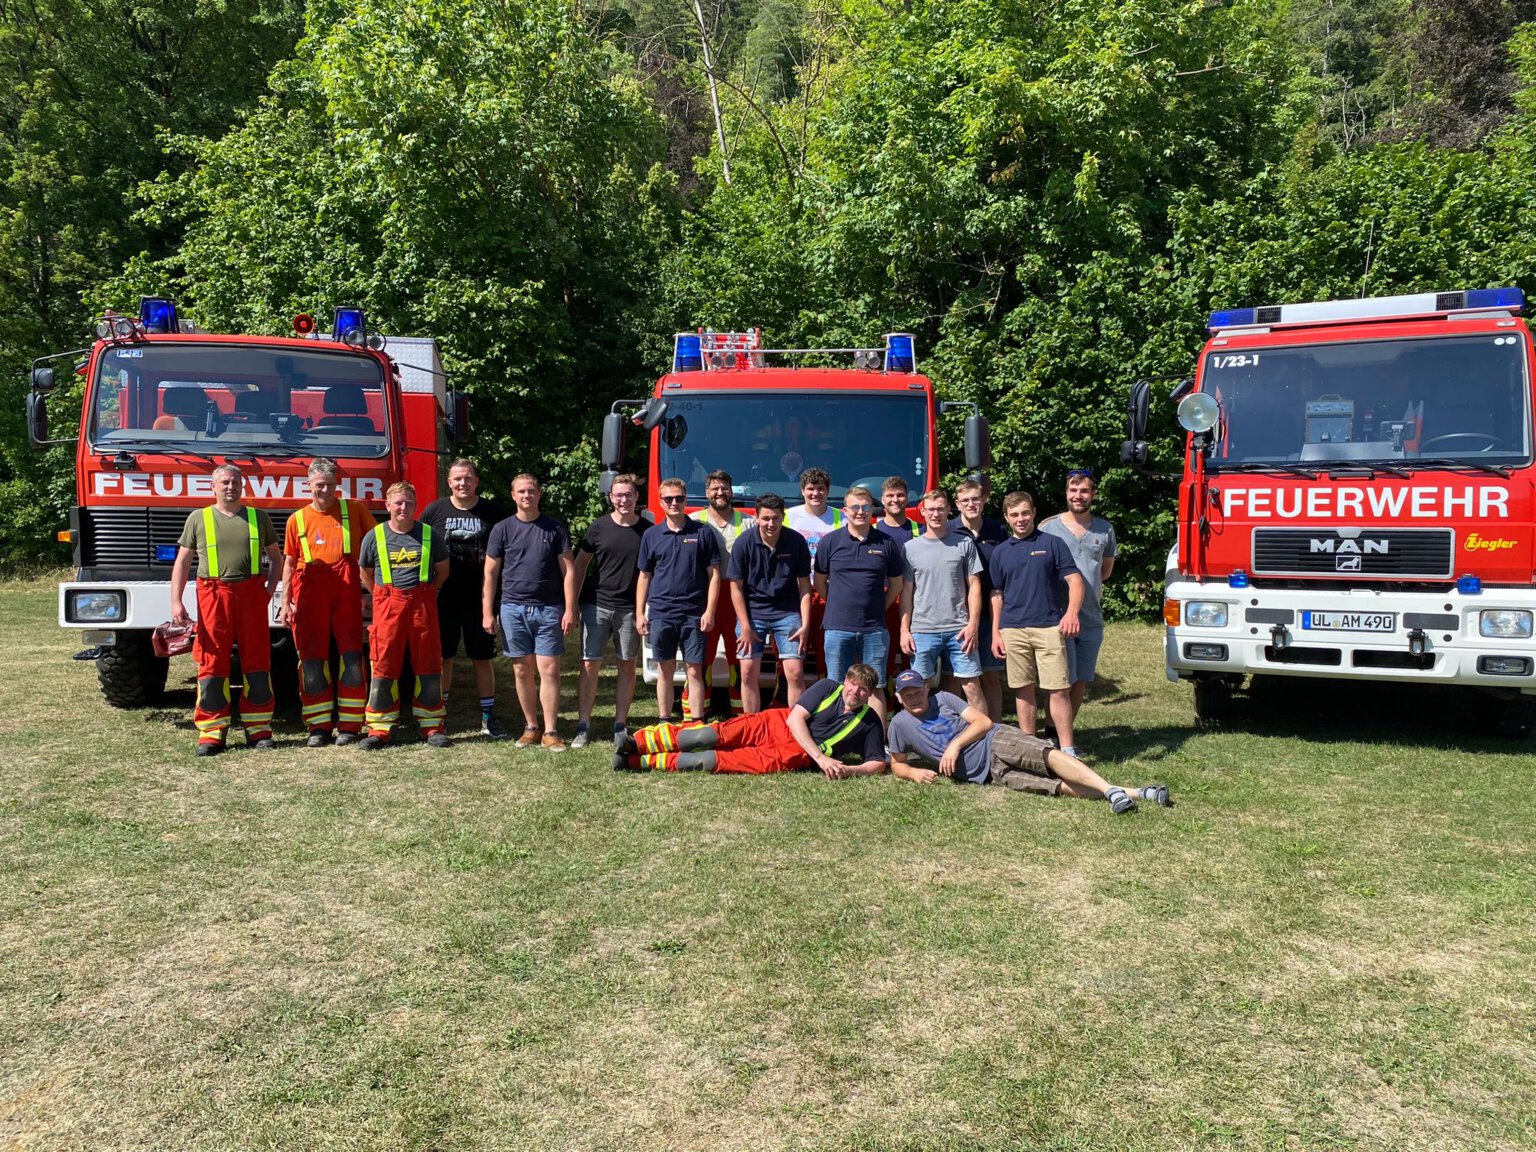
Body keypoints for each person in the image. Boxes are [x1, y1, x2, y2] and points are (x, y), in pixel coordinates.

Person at [886, 670, 1169, 813]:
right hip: (988, 775)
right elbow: (896, 763)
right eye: (906, 692)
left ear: (926, 687)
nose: (914, 696)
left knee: (1046, 755)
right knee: (1053, 786)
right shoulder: (899, 725)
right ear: (898, 698)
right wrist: (912, 771)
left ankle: (1109, 790)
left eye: (917, 689)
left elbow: (983, 722)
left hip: (995, 740)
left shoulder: (943, 699)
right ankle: (1137, 793)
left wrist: (955, 745)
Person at [170, 464, 281, 756]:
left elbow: (276, 559)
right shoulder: (199, 518)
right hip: (214, 594)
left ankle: (259, 730)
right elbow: (182, 562)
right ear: (214, 487)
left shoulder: (259, 517)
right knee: (212, 661)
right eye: (224, 482)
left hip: (251, 595)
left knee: (257, 660)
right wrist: (176, 601)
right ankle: (211, 732)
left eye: (234, 482)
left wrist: (268, 591)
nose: (230, 487)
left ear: (242, 486)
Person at [613, 664, 886, 778]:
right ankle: (635, 742)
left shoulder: (870, 722)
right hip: (776, 724)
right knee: (706, 736)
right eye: (853, 684)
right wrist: (822, 759)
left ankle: (637, 762)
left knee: (708, 761)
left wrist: (849, 770)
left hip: (790, 755)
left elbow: (877, 763)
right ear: (846, 681)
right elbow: (795, 720)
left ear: (870, 693)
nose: (855, 692)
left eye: (863, 689)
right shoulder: (828, 687)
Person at [278, 458, 376, 746]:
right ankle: (318, 726)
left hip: (346, 590)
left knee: (351, 656)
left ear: (337, 485)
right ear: (308, 485)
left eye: (330, 485)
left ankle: (351, 724)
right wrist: (286, 602)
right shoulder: (297, 519)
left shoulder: (355, 510)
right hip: (309, 592)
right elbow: (289, 562)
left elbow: (376, 545)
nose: (325, 490)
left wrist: (372, 590)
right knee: (311, 659)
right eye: (319, 485)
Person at [482, 474, 578, 751]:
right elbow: (490, 572)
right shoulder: (502, 529)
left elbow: (569, 571)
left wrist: (570, 608)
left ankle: (550, 730)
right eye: (521, 491)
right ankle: (531, 727)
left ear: (539, 494)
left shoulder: (555, 528)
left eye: (531, 491)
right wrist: (487, 612)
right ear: (513, 495)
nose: (527, 495)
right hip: (512, 608)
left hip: (549, 609)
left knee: (550, 670)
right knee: (522, 670)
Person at [989, 491, 1086, 757]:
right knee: (1023, 689)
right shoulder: (999, 552)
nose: (1020, 519)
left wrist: (1072, 613)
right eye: (1014, 515)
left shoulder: (1053, 543)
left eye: (1024, 513)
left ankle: (1067, 748)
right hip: (1013, 628)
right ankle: (1030, 747)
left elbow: (1075, 581)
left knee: (1058, 689)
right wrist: (996, 631)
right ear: (1007, 518)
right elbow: (997, 594)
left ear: (1033, 513)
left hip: (1048, 627)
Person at [357, 481, 451, 749]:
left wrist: (426, 592)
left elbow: (442, 570)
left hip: (422, 604)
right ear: (387, 505)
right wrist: (382, 595)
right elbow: (365, 572)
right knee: (384, 665)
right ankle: (379, 727)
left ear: (415, 505)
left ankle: (432, 726)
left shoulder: (430, 535)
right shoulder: (374, 536)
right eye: (398, 502)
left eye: (409, 502)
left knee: (429, 665)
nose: (403, 507)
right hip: (388, 606)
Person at [420, 458, 507, 738]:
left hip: (481, 598)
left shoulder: (494, 512)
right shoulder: (434, 510)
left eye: (468, 478)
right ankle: (439, 715)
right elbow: (418, 547)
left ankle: (488, 717)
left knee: (481, 658)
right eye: (457, 478)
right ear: (449, 482)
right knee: (443, 657)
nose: (462, 483)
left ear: (476, 481)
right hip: (444, 596)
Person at [813, 485, 903, 721]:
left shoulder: (886, 543)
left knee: (874, 686)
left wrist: (878, 608)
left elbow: (896, 584)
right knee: (836, 686)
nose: (860, 512)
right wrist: (834, 604)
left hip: (874, 629)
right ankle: (836, 736)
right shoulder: (830, 542)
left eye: (865, 507)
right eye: (855, 507)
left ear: (872, 510)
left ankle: (876, 742)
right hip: (837, 627)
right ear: (845, 510)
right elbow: (820, 581)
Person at [571, 473, 649, 747]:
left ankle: (620, 724)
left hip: (629, 608)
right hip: (596, 605)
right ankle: (583, 724)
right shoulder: (598, 527)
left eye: (629, 494)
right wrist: (573, 603)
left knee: (627, 665)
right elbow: (580, 564)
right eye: (618, 495)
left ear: (637, 498)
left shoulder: (647, 531)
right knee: (590, 664)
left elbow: (650, 573)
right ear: (611, 498)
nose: (624, 499)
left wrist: (644, 609)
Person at [636, 476, 721, 727]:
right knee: (665, 669)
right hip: (661, 612)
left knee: (694, 670)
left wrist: (710, 611)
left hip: (694, 613)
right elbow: (644, 576)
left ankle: (696, 722)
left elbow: (714, 575)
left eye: (679, 498)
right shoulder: (651, 535)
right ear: (661, 502)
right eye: (669, 499)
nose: (674, 503)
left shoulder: (703, 532)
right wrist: (640, 613)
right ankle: (664, 721)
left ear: (686, 500)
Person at [1039, 468, 1118, 725]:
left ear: (1093, 494)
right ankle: (1052, 733)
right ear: (1066, 493)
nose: (1078, 495)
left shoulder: (1104, 530)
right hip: (1057, 616)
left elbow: (1104, 572)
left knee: (1081, 679)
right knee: (1061, 680)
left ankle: (1066, 735)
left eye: (1084, 490)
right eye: (1073, 490)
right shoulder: (1048, 528)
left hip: (1091, 617)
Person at [900, 489, 986, 713]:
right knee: (918, 688)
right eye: (931, 510)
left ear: (949, 510)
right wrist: (904, 630)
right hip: (922, 630)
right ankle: (920, 738)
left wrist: (973, 625)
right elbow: (906, 592)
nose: (936, 514)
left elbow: (975, 586)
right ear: (923, 512)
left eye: (940, 509)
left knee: (972, 686)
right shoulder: (910, 548)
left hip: (960, 629)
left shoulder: (964, 544)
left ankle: (985, 740)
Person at [727, 493, 812, 712]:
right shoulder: (744, 542)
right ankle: (753, 726)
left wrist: (805, 624)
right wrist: (745, 626)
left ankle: (795, 730)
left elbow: (804, 586)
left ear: (783, 517)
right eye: (765, 518)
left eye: (775, 518)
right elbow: (735, 587)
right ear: (756, 517)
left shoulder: (796, 541)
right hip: (753, 613)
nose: (771, 523)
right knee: (747, 672)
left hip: (787, 613)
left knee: (795, 672)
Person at [949, 477, 1009, 719]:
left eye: (976, 499)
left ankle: (994, 730)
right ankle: (961, 729)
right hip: (955, 613)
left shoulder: (998, 530)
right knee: (957, 678)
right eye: (965, 500)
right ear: (957, 504)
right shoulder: (948, 529)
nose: (971, 504)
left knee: (990, 676)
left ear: (984, 500)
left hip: (990, 611)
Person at [693, 469, 749, 716]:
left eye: (724, 488)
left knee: (739, 658)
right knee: (701, 657)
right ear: (707, 493)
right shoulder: (694, 521)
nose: (720, 493)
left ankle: (740, 715)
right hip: (704, 595)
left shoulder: (748, 522)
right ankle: (696, 715)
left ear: (731, 491)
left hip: (738, 595)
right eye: (715, 489)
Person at [875, 475, 920, 682]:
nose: (895, 499)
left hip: (915, 601)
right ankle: (887, 707)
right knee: (883, 656)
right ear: (882, 500)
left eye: (900, 495)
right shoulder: (873, 530)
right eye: (890, 495)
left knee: (910, 656)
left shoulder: (920, 530)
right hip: (883, 601)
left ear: (907, 498)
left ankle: (909, 709)